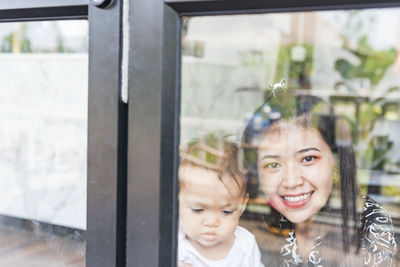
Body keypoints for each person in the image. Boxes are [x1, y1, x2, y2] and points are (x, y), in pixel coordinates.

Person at [241, 89, 398, 266]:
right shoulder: (241, 233)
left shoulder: (376, 233)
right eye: (273, 165)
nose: (291, 181)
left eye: (308, 159)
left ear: (335, 162)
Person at [178, 137, 264, 267]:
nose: (212, 222)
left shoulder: (245, 245)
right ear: (177, 202)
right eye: (197, 209)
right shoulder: (175, 244)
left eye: (226, 211)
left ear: (242, 205)